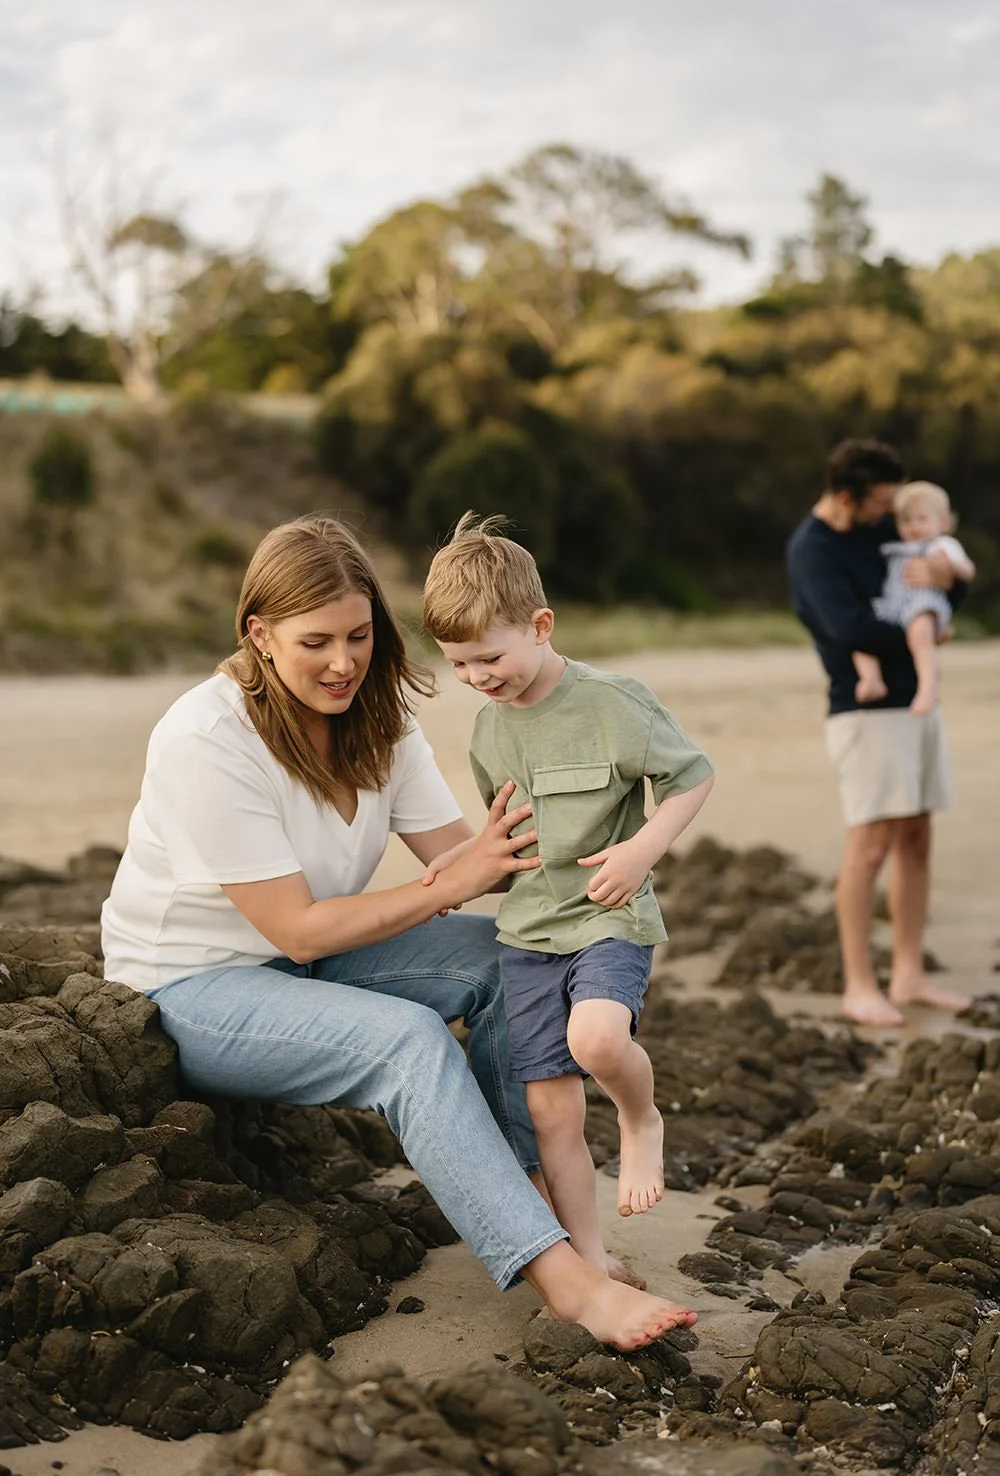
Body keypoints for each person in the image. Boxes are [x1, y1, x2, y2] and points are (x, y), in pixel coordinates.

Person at [101, 514, 696, 1350]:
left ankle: (540, 1208)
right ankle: (566, 1283)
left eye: (359, 635)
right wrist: (452, 883)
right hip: (195, 985)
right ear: (259, 634)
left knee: (510, 961)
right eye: (316, 642)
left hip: (319, 961)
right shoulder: (206, 737)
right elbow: (300, 930)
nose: (343, 663)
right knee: (409, 1042)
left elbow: (473, 857)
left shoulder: (377, 717)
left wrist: (621, 836)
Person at [421, 514, 714, 1277]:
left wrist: (642, 848)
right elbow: (507, 833)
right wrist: (455, 866)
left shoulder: (615, 703)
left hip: (608, 917)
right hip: (529, 935)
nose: (478, 677)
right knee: (550, 1110)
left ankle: (642, 1118)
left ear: (541, 625)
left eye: (489, 656)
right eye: (459, 665)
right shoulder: (489, 732)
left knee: (597, 1042)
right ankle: (589, 1258)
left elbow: (693, 777)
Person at [787, 439, 970, 1028]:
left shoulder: (881, 524)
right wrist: (928, 634)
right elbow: (847, 631)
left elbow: (940, 587)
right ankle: (859, 985)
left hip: (916, 701)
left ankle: (909, 973)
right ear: (848, 497)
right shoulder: (812, 550)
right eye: (882, 503)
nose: (890, 514)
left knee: (917, 837)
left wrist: (946, 585)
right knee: (870, 847)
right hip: (863, 711)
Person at [852, 481, 976, 717]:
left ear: (943, 522)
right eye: (906, 521)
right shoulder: (895, 547)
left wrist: (949, 569)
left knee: (920, 636)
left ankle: (927, 689)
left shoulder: (942, 545)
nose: (914, 527)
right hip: (893, 603)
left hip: (922, 603)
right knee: (860, 637)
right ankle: (871, 679)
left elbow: (967, 571)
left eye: (921, 519)